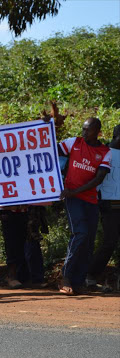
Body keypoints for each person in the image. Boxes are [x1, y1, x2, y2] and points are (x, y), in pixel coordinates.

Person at [58, 118, 112, 295]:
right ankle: (65, 277)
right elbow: (50, 148)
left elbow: (99, 179)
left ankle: (78, 281)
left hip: (90, 200)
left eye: (88, 130)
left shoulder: (105, 152)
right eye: (83, 129)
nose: (84, 133)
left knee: (88, 241)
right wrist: (50, 125)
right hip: (72, 198)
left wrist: (76, 191)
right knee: (80, 233)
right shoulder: (74, 143)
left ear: (98, 131)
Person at [86, 124, 120, 289]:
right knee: (110, 242)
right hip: (108, 203)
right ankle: (90, 275)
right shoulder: (104, 153)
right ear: (117, 136)